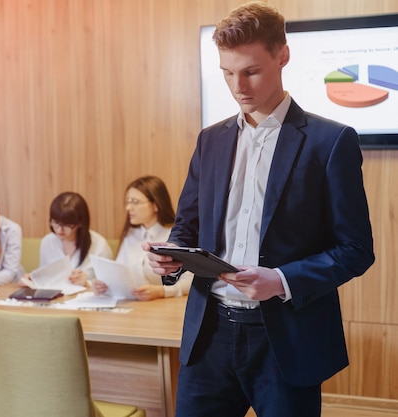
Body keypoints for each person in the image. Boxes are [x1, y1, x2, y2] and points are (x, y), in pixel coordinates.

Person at [144, 2, 375, 416]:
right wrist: (172, 258)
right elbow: (188, 227)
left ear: (282, 56)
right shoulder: (210, 141)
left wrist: (282, 279)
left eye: (251, 71)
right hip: (208, 334)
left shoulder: (331, 142)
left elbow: (355, 249)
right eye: (227, 73)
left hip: (286, 339)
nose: (238, 86)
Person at [93, 175, 191, 301]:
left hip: (163, 307)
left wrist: (162, 291)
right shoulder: (130, 235)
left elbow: (190, 281)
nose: (128, 208)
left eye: (135, 202)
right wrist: (104, 285)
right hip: (132, 305)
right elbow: (118, 272)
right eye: (127, 202)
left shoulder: (175, 238)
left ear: (156, 205)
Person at [38, 192, 113, 286]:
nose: (60, 229)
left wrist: (87, 283)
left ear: (80, 223)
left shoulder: (99, 245)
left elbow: (111, 284)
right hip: (56, 299)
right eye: (56, 222)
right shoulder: (47, 242)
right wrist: (33, 280)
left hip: (87, 299)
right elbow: (45, 279)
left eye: (67, 225)